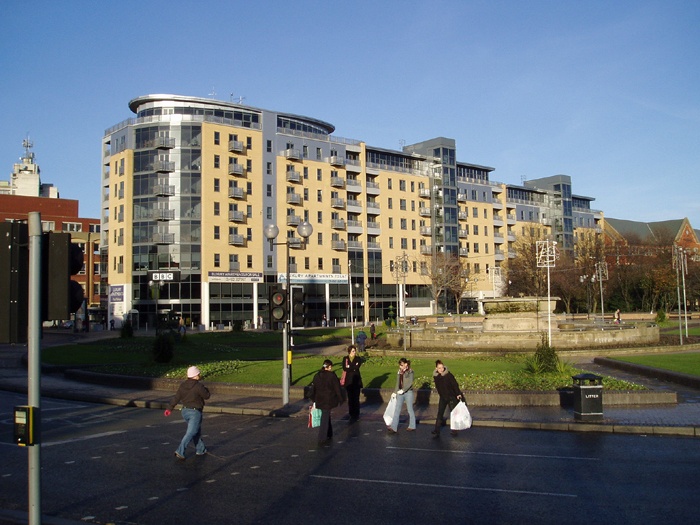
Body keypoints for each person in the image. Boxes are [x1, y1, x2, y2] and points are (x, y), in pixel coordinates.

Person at [164, 365, 211, 459]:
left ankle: (200, 449)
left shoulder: (183, 385)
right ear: (196, 375)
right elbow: (206, 396)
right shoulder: (198, 386)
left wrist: (169, 408)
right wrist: (206, 389)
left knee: (195, 430)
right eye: (198, 374)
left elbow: (176, 398)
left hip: (185, 411)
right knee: (192, 432)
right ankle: (180, 451)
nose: (199, 375)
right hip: (195, 412)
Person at [310, 359, 344, 445]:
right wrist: (340, 398)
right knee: (325, 418)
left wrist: (313, 399)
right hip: (328, 399)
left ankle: (329, 433)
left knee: (326, 415)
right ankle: (322, 437)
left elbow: (313, 388)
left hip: (319, 399)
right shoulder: (332, 376)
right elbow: (337, 388)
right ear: (329, 367)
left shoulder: (317, 375)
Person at [432, 359, 464, 438]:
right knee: (440, 413)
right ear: (436, 368)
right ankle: (437, 430)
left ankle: (454, 430)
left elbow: (454, 385)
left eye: (442, 368)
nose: (441, 369)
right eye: (439, 368)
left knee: (453, 413)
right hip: (443, 397)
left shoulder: (448, 375)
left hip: (451, 397)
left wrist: (458, 394)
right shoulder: (436, 376)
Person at [387, 358, 416, 433]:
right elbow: (397, 383)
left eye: (402, 365)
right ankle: (394, 427)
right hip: (400, 393)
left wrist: (403, 390)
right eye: (400, 365)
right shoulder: (399, 371)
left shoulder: (410, 371)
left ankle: (412, 425)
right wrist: (395, 392)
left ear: (406, 364)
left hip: (408, 392)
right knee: (397, 410)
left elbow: (410, 383)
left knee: (410, 409)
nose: (400, 367)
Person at [342, 345, 364, 421]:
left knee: (356, 398)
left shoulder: (358, 359)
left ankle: (356, 414)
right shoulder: (345, 359)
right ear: (349, 352)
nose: (354, 352)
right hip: (348, 382)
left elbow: (357, 367)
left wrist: (350, 367)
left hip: (356, 382)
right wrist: (353, 367)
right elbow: (345, 368)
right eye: (353, 351)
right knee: (350, 398)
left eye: (355, 351)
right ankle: (351, 413)